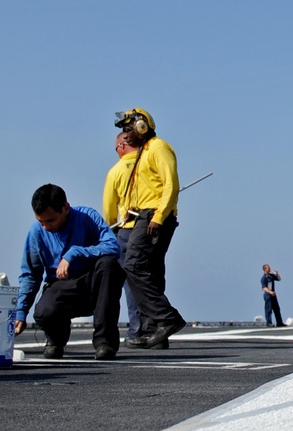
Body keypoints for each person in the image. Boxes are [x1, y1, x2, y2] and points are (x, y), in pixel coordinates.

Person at [16, 184, 124, 360]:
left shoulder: (87, 217)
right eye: (40, 221)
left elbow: (113, 247)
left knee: (109, 265)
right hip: (61, 287)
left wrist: (75, 252)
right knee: (44, 312)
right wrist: (20, 312)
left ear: (65, 208)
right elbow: (30, 274)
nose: (45, 227)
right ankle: (55, 340)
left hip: (92, 285)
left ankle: (105, 342)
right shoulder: (36, 232)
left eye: (50, 221)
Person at [113, 108, 187, 348]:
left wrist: (158, 216)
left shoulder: (158, 148)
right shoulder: (143, 153)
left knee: (132, 264)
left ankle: (167, 318)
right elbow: (149, 187)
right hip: (144, 214)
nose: (125, 134)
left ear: (141, 126)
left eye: (128, 128)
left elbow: (170, 185)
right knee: (149, 271)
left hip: (155, 216)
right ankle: (155, 328)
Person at [102, 131, 144, 344]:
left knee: (129, 282)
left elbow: (109, 209)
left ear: (121, 146)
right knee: (151, 279)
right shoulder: (149, 165)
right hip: (152, 227)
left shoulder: (117, 170)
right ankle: (155, 328)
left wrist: (110, 228)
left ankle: (136, 330)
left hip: (127, 230)